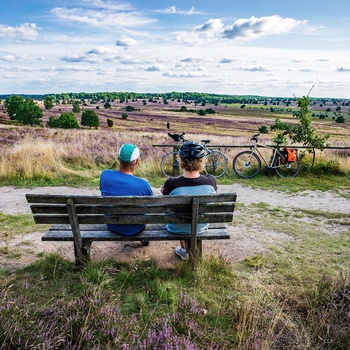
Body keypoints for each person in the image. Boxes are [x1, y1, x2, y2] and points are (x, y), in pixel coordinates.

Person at [161, 141, 217, 260]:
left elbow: (165, 196)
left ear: (181, 160)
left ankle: (184, 250)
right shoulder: (211, 181)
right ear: (202, 160)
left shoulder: (171, 183)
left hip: (176, 228)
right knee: (193, 215)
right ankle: (191, 251)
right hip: (200, 227)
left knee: (179, 215)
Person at [100, 143, 153, 237]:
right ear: (136, 162)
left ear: (118, 159)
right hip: (137, 228)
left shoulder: (105, 176)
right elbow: (150, 205)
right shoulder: (143, 184)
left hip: (113, 225)